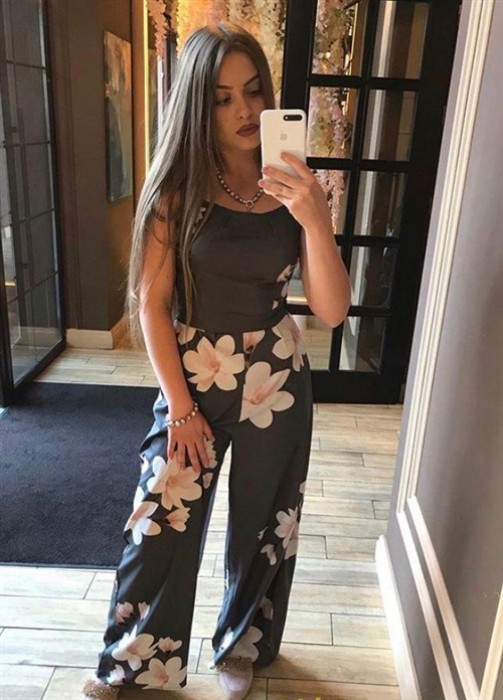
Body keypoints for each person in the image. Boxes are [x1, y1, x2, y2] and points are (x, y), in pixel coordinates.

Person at [82, 21, 350, 700]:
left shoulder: (293, 186)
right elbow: (151, 306)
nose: (244, 111)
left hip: (275, 374)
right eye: (223, 98)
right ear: (198, 105)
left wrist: (315, 218)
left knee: (265, 521)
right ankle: (133, 661)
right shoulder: (177, 189)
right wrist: (180, 409)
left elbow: (331, 310)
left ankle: (241, 646)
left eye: (254, 91)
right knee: (160, 518)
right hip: (194, 372)